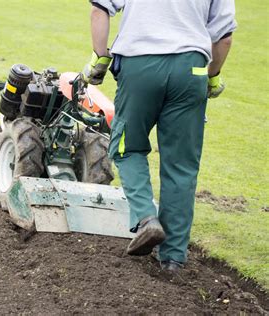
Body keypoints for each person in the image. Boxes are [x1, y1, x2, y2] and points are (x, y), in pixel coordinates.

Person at [82, 0, 236, 273]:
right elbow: (223, 37)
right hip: (192, 70)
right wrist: (211, 77)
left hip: (139, 66)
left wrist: (100, 57)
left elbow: (100, 9)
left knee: (127, 148)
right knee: (181, 165)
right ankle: (173, 258)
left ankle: (146, 218)